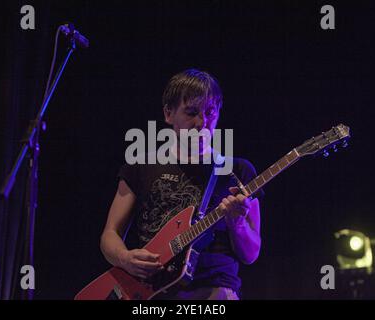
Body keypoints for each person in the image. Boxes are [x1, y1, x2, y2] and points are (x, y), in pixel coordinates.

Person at [100, 69, 264, 300]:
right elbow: (109, 234)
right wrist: (125, 259)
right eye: (191, 112)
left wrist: (237, 223)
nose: (202, 122)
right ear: (168, 113)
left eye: (210, 112)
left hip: (214, 290)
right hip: (151, 292)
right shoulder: (141, 166)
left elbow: (250, 254)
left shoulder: (237, 171)